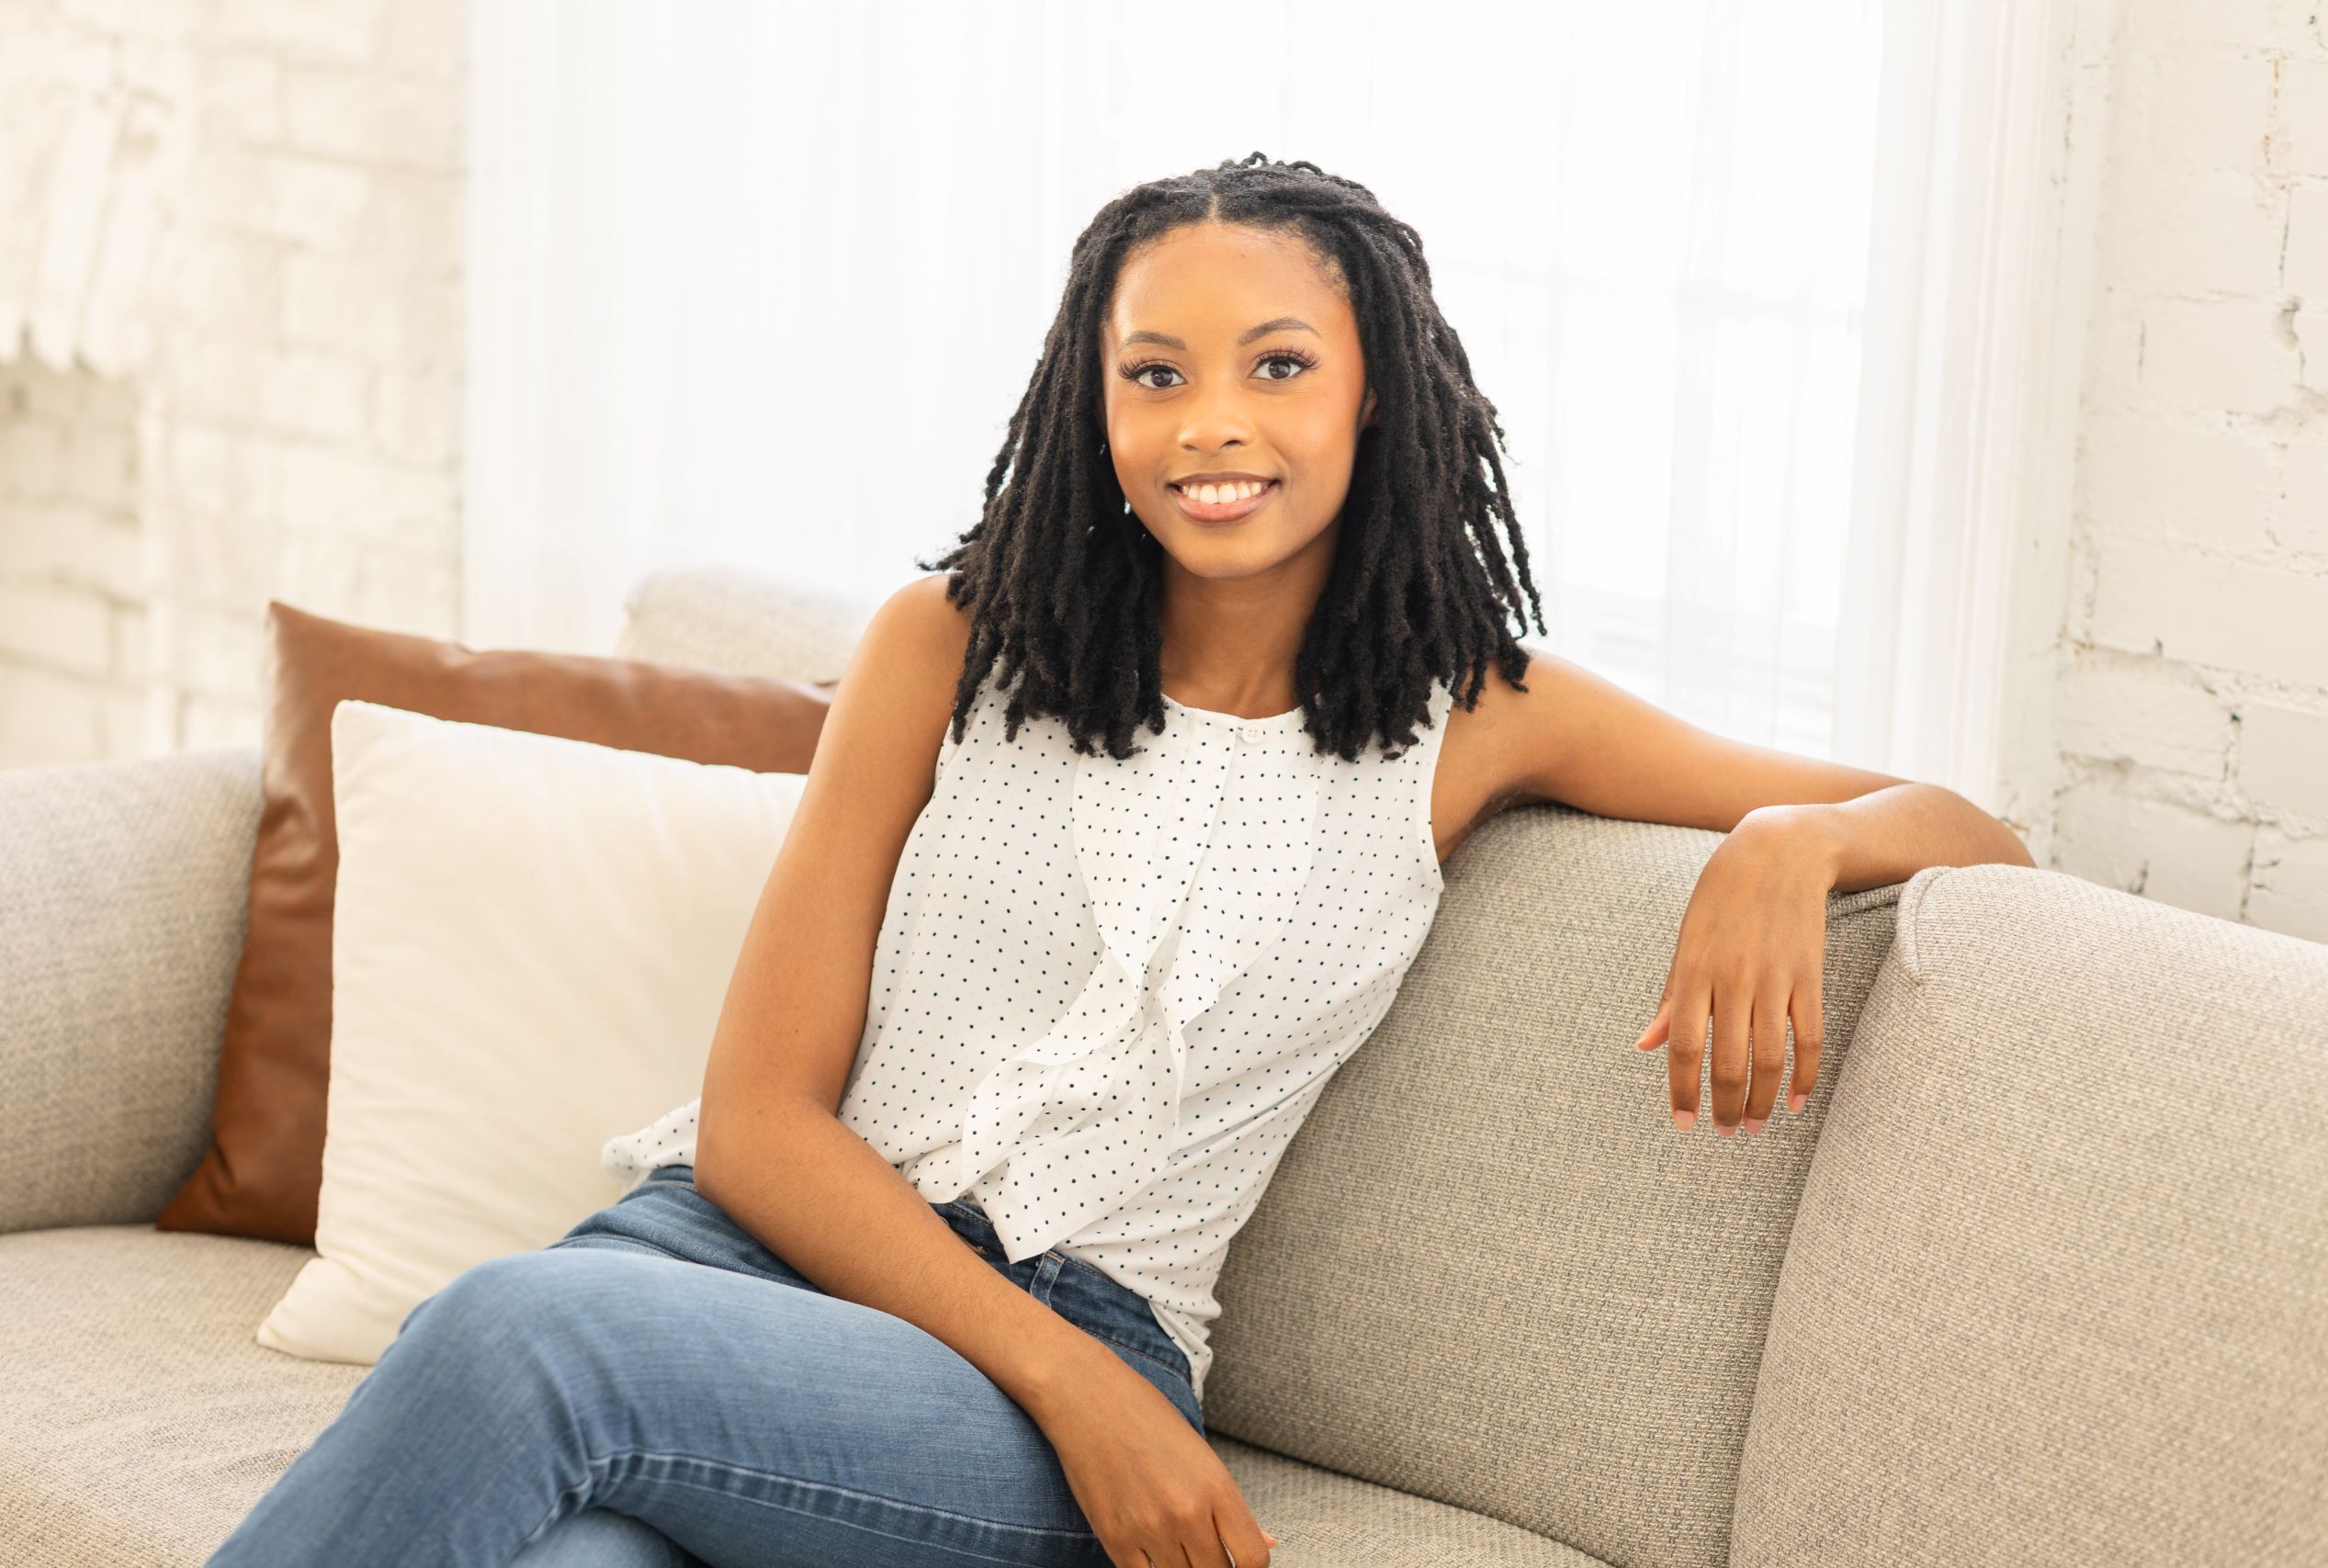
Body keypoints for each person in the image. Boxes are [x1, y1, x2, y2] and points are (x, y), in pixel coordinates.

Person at [208, 152, 2032, 1568]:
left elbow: (1973, 831)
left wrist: (1789, 841)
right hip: (733, 1269)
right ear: (1095, 404)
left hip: (1023, 1382)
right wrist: (1089, 1398)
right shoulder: (951, 640)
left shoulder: (1476, 711)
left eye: (1275, 366)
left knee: (516, 1331)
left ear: (1373, 391)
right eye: (1152, 372)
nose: (1209, 421)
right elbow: (759, 1120)